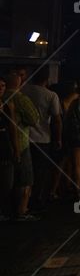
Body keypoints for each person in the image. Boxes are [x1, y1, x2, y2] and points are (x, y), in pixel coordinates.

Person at [20, 65, 62, 210]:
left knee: (24, 171)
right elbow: (57, 120)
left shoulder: (23, 91)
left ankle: (22, 200)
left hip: (24, 137)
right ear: (47, 78)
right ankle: (36, 199)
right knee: (40, 171)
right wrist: (58, 139)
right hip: (43, 138)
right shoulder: (51, 95)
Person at [3, 69, 40, 219]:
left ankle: (8, 209)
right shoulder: (20, 99)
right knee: (24, 179)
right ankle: (21, 210)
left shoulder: (3, 97)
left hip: (4, 144)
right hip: (21, 142)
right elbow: (33, 119)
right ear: (19, 83)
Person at [0, 77, 20, 220]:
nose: (1, 88)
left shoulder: (7, 104)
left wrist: (16, 149)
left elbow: (13, 128)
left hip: (5, 147)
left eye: (3, 85)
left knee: (7, 183)